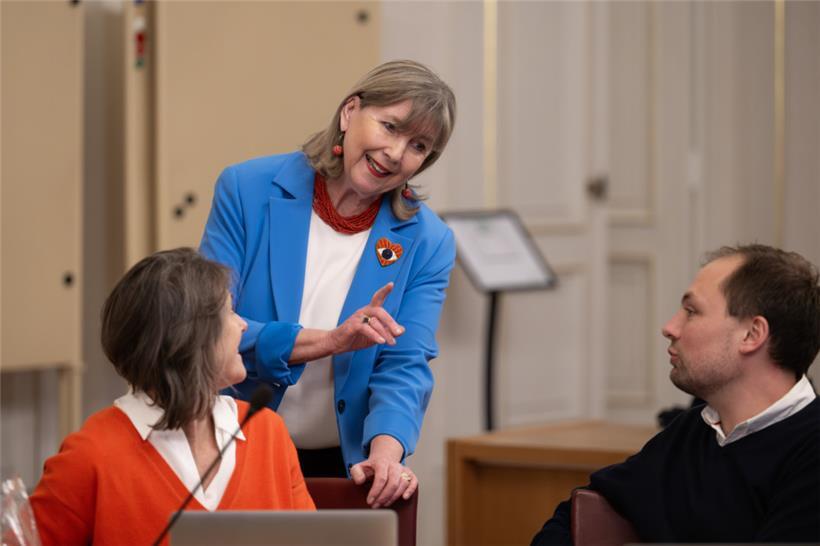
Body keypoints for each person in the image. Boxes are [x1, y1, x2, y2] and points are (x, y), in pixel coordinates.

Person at [199, 59, 457, 508]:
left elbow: (405, 364)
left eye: (418, 146)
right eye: (390, 127)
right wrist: (329, 342)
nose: (397, 153)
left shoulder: (428, 240)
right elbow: (208, 325)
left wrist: (385, 453)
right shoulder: (247, 189)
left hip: (339, 462)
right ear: (349, 112)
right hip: (229, 443)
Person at [532, 244, 820, 544]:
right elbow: (576, 515)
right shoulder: (694, 430)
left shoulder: (810, 452)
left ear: (751, 335)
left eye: (692, 312)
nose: (670, 327)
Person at [30, 248, 314, 546]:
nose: (243, 325)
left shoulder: (268, 433)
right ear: (191, 338)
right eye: (230, 312)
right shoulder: (88, 457)